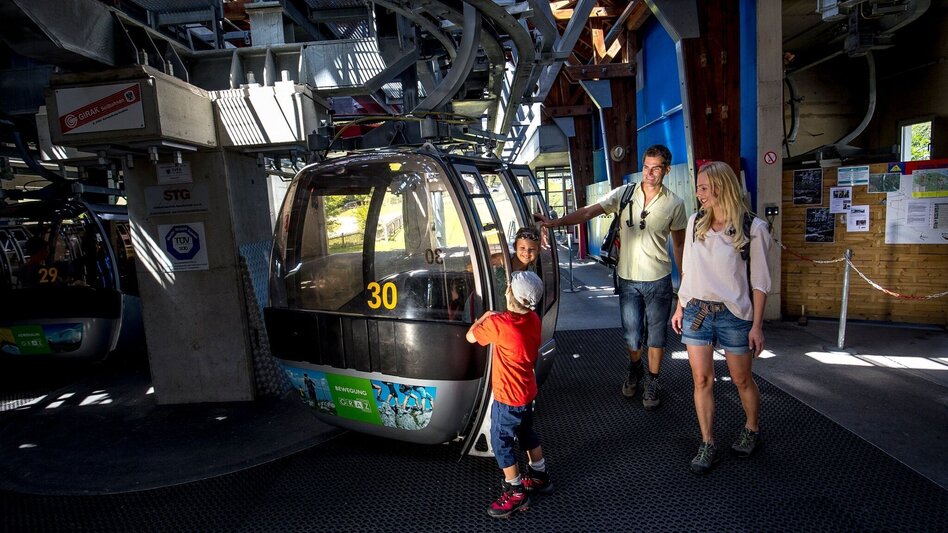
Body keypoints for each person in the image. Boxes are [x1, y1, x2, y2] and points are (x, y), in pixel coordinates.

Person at [536, 144, 687, 409]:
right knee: (632, 335)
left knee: (656, 336)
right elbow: (588, 211)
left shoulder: (675, 204)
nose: (649, 173)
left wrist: (685, 283)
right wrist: (556, 223)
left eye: (656, 169)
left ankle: (652, 381)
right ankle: (635, 368)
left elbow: (680, 244)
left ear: (666, 170)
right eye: (646, 167)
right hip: (627, 279)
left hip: (658, 280)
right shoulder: (625, 193)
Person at [670, 161, 773, 475]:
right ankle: (707, 442)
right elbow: (688, 269)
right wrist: (680, 305)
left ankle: (752, 429)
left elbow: (760, 282)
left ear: (721, 187)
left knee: (741, 379)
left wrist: (757, 326)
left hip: (735, 315)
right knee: (701, 380)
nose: (698, 194)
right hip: (697, 312)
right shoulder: (695, 223)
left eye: (704, 188)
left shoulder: (753, 227)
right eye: (698, 188)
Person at [466, 270, 552, 518]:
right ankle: (539, 476)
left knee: (501, 442)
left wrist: (485, 316)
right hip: (526, 392)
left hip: (507, 398)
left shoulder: (499, 324)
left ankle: (515, 493)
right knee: (526, 433)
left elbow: (471, 337)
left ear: (509, 293)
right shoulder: (534, 319)